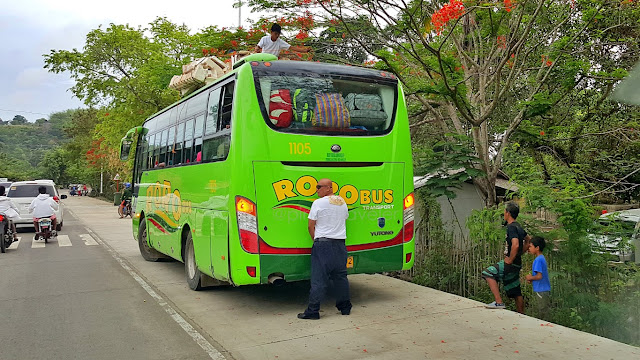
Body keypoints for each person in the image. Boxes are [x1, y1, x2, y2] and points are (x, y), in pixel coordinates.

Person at [298, 178, 352, 320]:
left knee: (319, 279)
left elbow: (311, 225)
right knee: (341, 277)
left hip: (323, 244)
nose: (316, 190)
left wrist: (315, 240)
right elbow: (344, 218)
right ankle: (345, 308)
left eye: (319, 187)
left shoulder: (318, 203)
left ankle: (313, 311)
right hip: (340, 244)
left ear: (329, 188)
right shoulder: (342, 202)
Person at [481, 201, 531, 313]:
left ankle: (499, 302)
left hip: (511, 263)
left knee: (488, 273)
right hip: (517, 263)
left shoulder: (511, 227)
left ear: (508, 213)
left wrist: (510, 258)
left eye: (504, 211)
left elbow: (516, 243)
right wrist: (520, 253)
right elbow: (528, 239)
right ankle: (521, 315)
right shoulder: (518, 226)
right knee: (516, 290)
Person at [525, 236, 551, 320]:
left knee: (542, 311)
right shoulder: (541, 258)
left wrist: (530, 278)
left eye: (530, 246)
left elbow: (539, 276)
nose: (529, 248)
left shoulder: (538, 260)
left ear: (537, 248)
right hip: (543, 289)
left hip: (541, 290)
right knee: (543, 310)